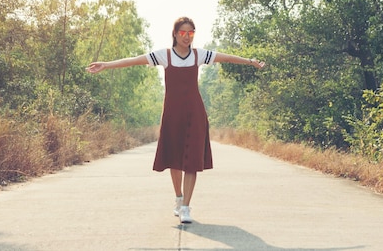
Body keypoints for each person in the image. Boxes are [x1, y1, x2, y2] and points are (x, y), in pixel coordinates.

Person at [86, 16, 266, 223]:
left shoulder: (199, 55)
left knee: (192, 161)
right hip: (172, 114)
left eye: (191, 33)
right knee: (175, 158)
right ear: (175, 34)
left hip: (195, 113)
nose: (187, 37)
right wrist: (106, 65)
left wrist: (250, 62)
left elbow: (225, 58)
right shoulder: (165, 56)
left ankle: (187, 207)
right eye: (183, 32)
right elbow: (134, 60)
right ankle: (178, 198)